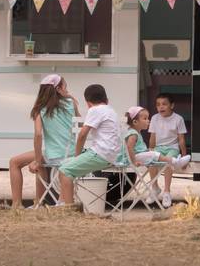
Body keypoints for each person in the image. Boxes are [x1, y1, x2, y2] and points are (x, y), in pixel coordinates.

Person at [8, 74, 79, 208]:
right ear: (58, 89)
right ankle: (38, 203)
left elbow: (38, 135)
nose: (67, 90)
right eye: (65, 87)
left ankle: (17, 204)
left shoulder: (40, 109)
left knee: (14, 162)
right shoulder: (71, 103)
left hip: (54, 155)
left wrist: (38, 159)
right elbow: (78, 125)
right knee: (39, 161)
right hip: (71, 153)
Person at [57, 84, 121, 206]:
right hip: (111, 154)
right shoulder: (110, 110)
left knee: (64, 171)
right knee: (66, 165)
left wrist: (77, 155)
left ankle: (70, 210)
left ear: (88, 103)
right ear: (106, 100)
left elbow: (82, 135)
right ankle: (61, 202)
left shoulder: (95, 110)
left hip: (101, 153)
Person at [147, 93, 189, 208]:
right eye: (158, 105)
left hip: (172, 148)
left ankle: (166, 192)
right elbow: (152, 137)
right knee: (151, 161)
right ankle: (155, 188)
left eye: (164, 104)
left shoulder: (178, 119)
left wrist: (184, 157)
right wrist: (150, 150)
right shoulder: (155, 118)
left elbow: (181, 139)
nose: (161, 107)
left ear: (172, 105)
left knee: (169, 162)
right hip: (158, 147)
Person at [120, 106, 191, 170]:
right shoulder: (133, 134)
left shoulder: (135, 133)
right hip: (132, 158)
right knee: (154, 154)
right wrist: (134, 162)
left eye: (148, 118)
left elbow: (136, 149)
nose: (148, 120)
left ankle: (174, 161)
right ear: (135, 122)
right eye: (145, 119)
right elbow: (129, 148)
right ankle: (175, 162)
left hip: (136, 156)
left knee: (152, 153)